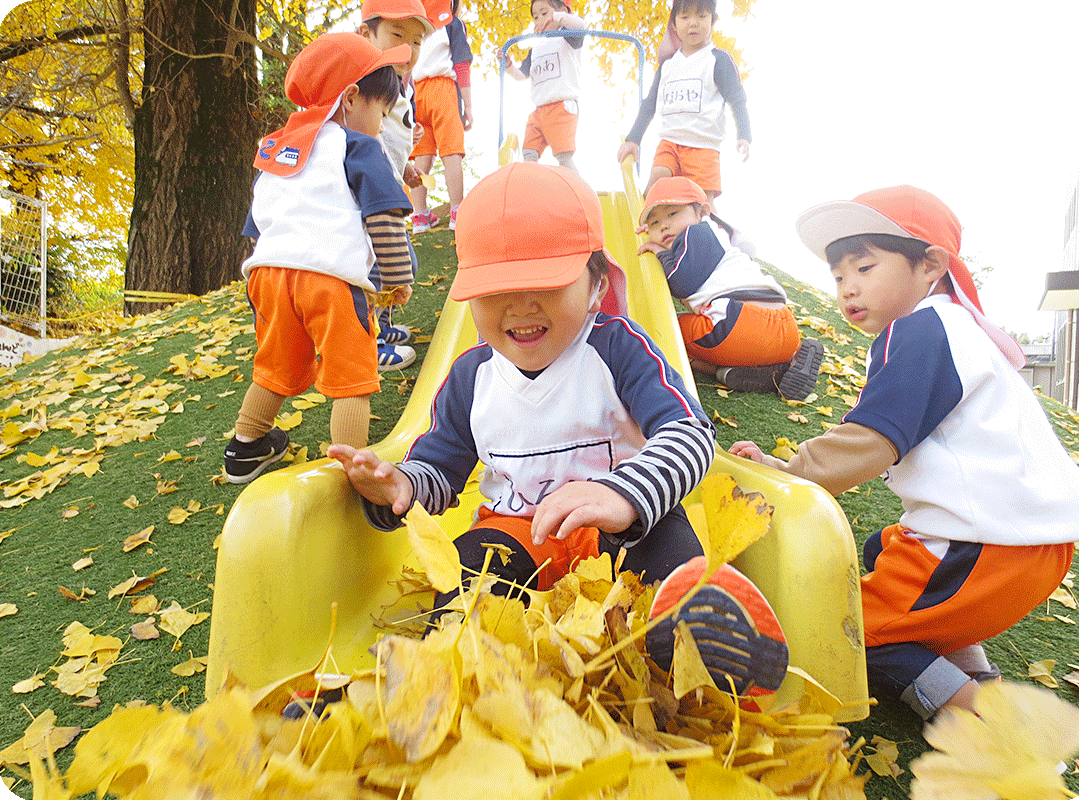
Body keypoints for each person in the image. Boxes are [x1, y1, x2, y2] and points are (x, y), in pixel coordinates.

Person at [328, 162, 789, 698]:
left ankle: (697, 656)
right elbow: (439, 468)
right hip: (522, 532)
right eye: (495, 289)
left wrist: (625, 496)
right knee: (470, 574)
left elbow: (691, 434)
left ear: (597, 284)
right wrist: (402, 488)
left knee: (667, 549)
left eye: (545, 284)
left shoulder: (618, 348)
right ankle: (423, 680)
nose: (520, 306)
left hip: (619, 530)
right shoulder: (470, 377)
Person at [730, 185, 1079, 721]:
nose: (848, 288)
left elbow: (873, 441)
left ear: (930, 265)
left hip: (984, 545)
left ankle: (980, 715)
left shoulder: (922, 329)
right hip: (1026, 542)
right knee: (878, 550)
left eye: (865, 268)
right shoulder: (956, 329)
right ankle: (965, 660)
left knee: (844, 628)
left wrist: (791, 472)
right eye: (838, 276)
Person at [224, 34, 416, 485]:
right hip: (328, 279)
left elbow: (257, 225)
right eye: (382, 112)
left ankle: (246, 447)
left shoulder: (276, 149)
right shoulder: (357, 147)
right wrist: (397, 276)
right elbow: (384, 216)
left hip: (267, 274)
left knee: (276, 362)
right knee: (352, 374)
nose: (382, 123)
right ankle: (350, 469)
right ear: (351, 99)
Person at [637, 176, 823, 400]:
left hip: (740, 324)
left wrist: (660, 253)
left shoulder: (699, 232)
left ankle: (722, 370)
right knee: (698, 332)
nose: (664, 224)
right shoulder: (721, 239)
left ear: (702, 212)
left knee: (665, 330)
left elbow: (681, 282)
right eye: (654, 223)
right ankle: (776, 370)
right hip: (786, 331)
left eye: (672, 213)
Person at [615, 0, 750, 206]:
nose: (693, 23)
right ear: (674, 25)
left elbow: (737, 98)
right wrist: (633, 139)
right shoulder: (668, 66)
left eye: (701, 16)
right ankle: (643, 223)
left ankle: (712, 234)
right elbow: (650, 103)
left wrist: (744, 134)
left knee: (701, 202)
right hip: (670, 141)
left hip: (702, 146)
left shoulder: (717, 60)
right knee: (658, 178)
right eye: (685, 17)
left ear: (713, 20)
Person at [360, 0, 435, 367]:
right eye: (396, 34)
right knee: (375, 272)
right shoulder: (367, 80)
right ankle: (367, 344)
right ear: (366, 34)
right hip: (365, 201)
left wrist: (405, 165)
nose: (409, 47)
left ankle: (383, 325)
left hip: (386, 194)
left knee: (400, 268)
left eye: (417, 41)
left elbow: (389, 140)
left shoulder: (403, 88)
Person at [409, 0, 472, 232]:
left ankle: (420, 215)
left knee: (421, 154)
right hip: (442, 88)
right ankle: (457, 211)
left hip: (416, 91)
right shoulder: (453, 24)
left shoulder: (416, 25)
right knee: (451, 150)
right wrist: (468, 106)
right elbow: (462, 64)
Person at [503, 0, 587, 171]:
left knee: (563, 155)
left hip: (561, 106)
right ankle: (531, 186)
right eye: (535, 16)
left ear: (562, 12)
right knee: (529, 152)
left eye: (544, 13)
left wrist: (557, 17)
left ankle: (577, 189)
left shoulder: (567, 38)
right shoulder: (536, 49)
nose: (539, 19)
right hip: (539, 110)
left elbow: (581, 26)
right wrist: (509, 67)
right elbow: (522, 75)